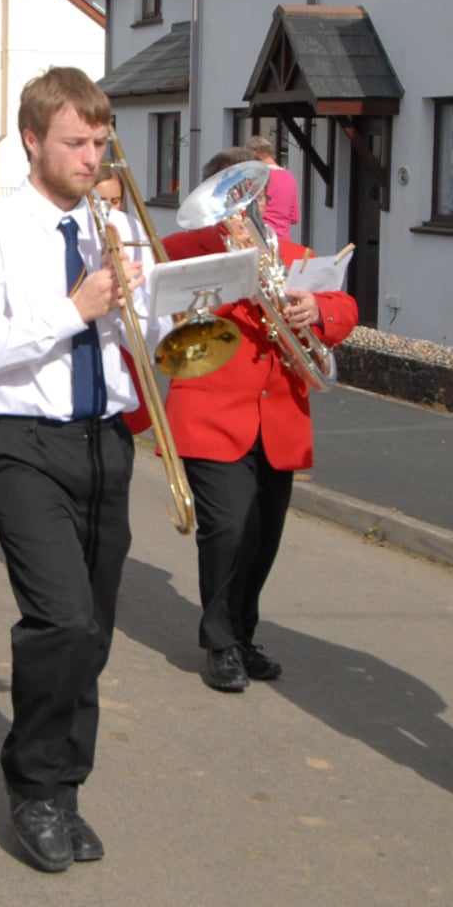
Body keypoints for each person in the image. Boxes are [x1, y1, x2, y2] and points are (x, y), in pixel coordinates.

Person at [0, 66, 153, 873]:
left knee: (92, 632)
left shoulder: (115, 224)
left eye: (100, 141)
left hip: (106, 439)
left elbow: (149, 332)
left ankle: (67, 786)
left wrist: (158, 302)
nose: (91, 155)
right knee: (60, 619)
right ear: (32, 139)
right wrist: (75, 308)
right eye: (76, 141)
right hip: (25, 444)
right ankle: (31, 786)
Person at [163, 148, 358, 692]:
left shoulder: (296, 253)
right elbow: (169, 324)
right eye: (225, 201)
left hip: (280, 418)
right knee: (226, 529)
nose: (237, 212)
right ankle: (220, 641)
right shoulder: (181, 251)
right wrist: (231, 283)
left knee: (262, 535)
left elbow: (344, 305)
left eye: (246, 197)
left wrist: (319, 311)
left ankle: (244, 633)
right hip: (210, 412)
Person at [248, 136, 300, 240]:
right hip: (284, 240)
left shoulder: (256, 178)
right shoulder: (289, 177)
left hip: (262, 236)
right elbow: (295, 217)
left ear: (254, 153)